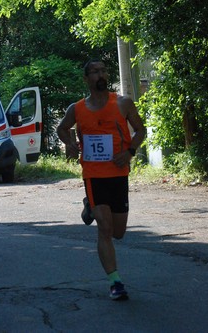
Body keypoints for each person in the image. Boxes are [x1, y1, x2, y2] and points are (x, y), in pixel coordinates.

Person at [56, 58, 146, 301]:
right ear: (86, 79)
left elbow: (141, 130)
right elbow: (62, 129)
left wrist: (129, 152)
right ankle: (115, 282)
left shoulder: (123, 103)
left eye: (103, 70)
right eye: (94, 72)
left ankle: (90, 207)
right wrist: (71, 144)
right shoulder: (77, 109)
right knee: (104, 229)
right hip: (93, 175)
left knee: (118, 233)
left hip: (118, 174)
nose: (100, 75)